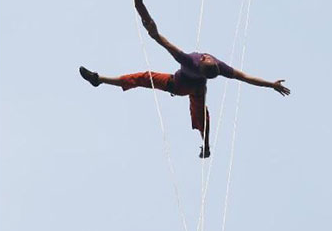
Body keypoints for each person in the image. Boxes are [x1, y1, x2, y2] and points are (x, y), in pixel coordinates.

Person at [78, 18, 290, 158]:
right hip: (191, 87)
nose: (207, 55)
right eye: (207, 57)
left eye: (207, 58)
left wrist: (152, 31)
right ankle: (99, 79)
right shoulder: (217, 66)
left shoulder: (190, 61)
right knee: (148, 81)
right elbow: (243, 77)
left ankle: (206, 146)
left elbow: (165, 43)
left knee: (148, 80)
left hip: (180, 86)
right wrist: (270, 84)